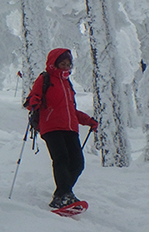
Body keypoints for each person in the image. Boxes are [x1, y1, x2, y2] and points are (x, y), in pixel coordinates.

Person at [23, 48, 98, 209]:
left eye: (67, 64)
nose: (65, 67)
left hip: (70, 128)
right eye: (62, 63)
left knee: (78, 163)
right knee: (61, 159)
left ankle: (62, 194)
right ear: (53, 63)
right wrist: (33, 103)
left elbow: (71, 110)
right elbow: (32, 98)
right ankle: (64, 194)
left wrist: (89, 121)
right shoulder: (45, 79)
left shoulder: (67, 84)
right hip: (51, 126)